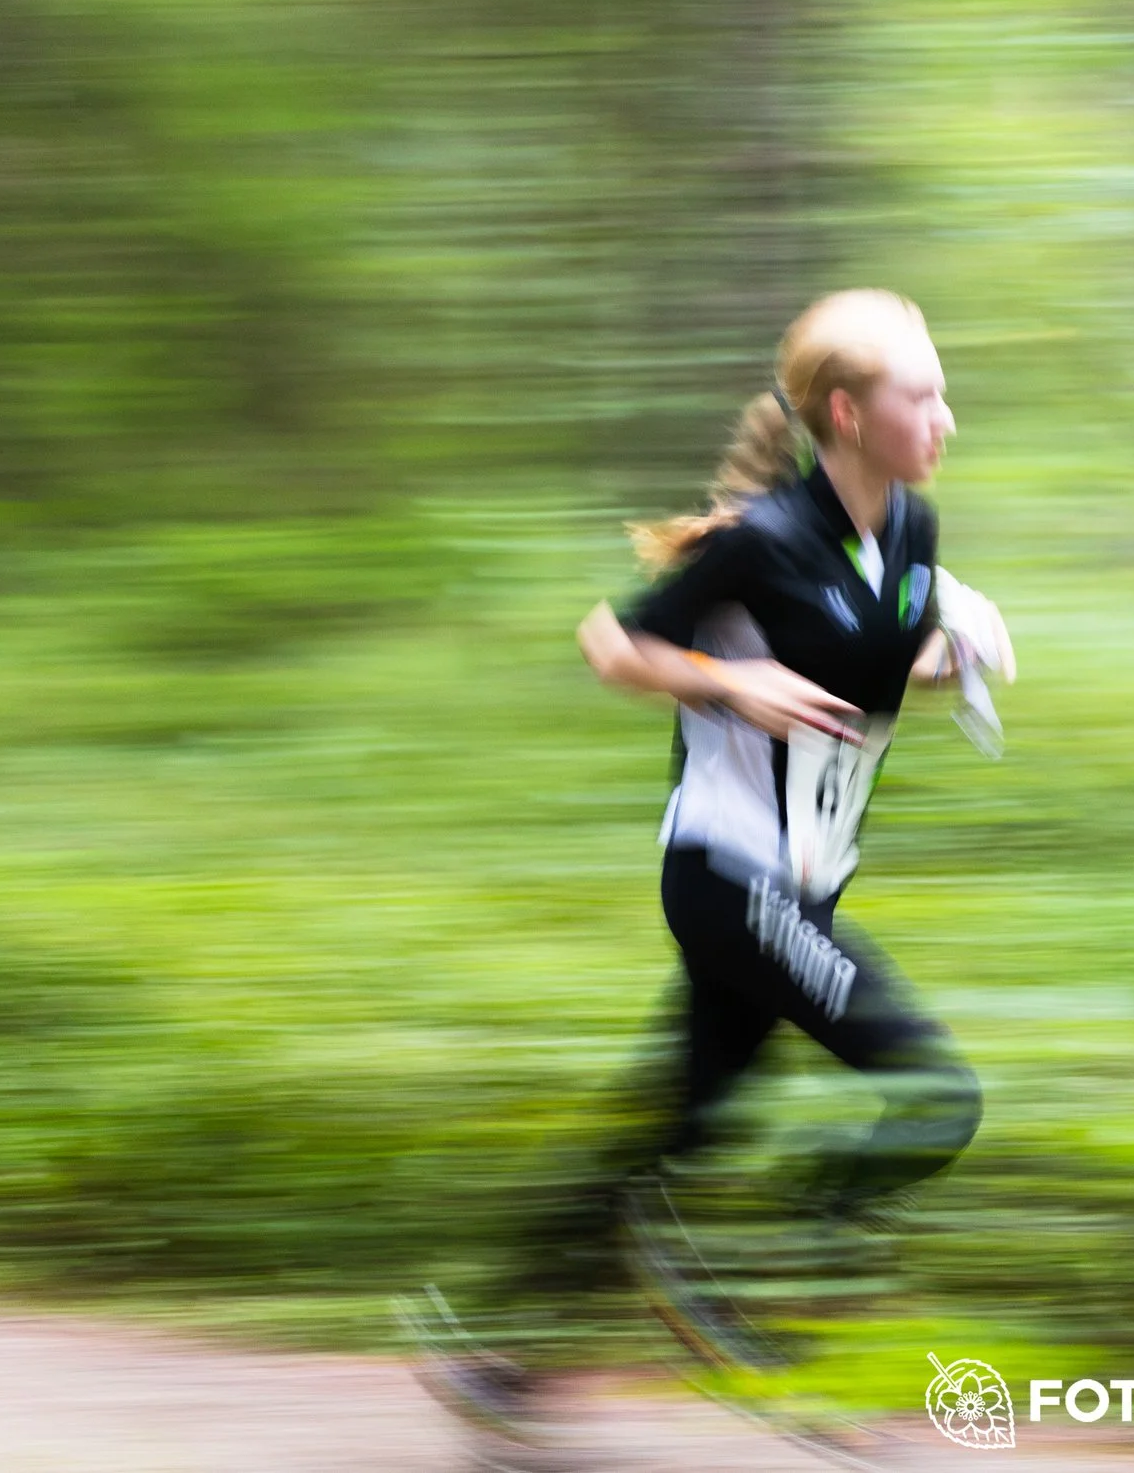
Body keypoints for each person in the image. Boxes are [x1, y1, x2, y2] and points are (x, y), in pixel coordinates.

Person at [408, 288, 1015, 1450]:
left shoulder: (911, 539)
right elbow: (611, 641)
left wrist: (955, 655)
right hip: (732, 877)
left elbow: (869, 665)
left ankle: (497, 1355)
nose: (948, 414)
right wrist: (730, 682)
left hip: (801, 885)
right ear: (847, 411)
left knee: (672, 1131)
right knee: (936, 1095)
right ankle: (775, 1307)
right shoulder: (761, 539)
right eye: (922, 392)